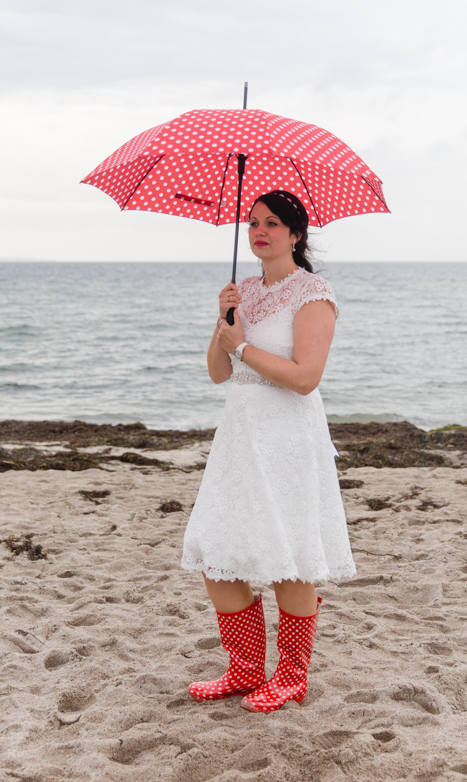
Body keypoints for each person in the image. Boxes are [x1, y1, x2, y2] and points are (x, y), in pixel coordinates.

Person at [181, 189, 356, 713]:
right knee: (217, 549)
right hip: (239, 434)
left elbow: (305, 378)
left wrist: (242, 347)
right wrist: (223, 325)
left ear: (296, 234)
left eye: (273, 223)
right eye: (253, 222)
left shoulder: (313, 293)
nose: (259, 231)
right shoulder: (244, 291)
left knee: (291, 557)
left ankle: (292, 675)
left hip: (288, 435)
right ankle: (244, 668)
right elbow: (219, 374)